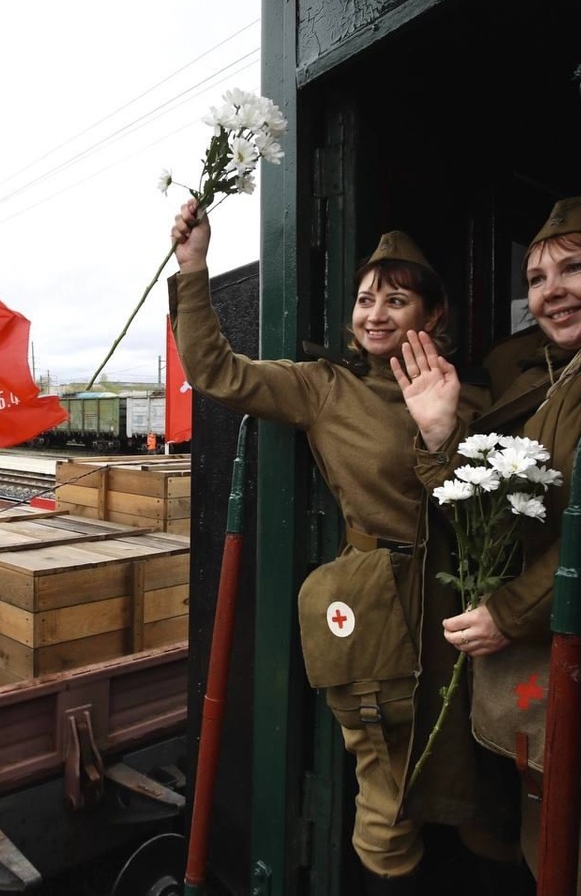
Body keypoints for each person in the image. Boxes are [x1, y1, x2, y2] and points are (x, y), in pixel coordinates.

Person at [169, 199, 506, 893]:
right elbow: (216, 371)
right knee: (388, 788)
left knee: (476, 765)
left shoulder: (473, 396)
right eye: (364, 299)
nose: (375, 312)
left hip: (470, 611)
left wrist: (443, 429)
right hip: (380, 610)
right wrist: (194, 267)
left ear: (434, 315)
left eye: (396, 298)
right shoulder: (327, 388)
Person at [394, 197, 581, 892]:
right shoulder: (555, 375)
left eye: (575, 267)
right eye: (538, 278)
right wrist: (437, 434)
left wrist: (510, 611)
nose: (553, 292)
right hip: (545, 659)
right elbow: (503, 499)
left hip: (578, 655)